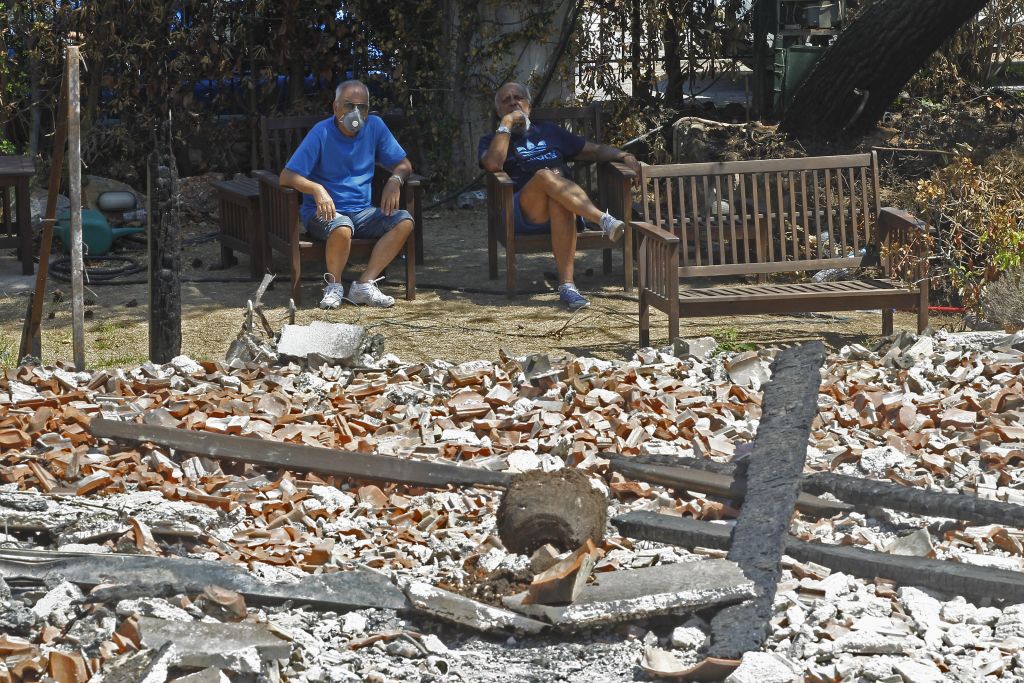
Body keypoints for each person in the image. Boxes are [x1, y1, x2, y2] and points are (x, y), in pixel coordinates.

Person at [479, 82, 641, 311]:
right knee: (544, 175)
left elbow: (594, 150)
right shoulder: (491, 140)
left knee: (558, 199)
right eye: (506, 100)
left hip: (564, 203)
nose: (514, 102)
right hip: (523, 211)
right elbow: (493, 164)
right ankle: (601, 219)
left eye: (518, 98)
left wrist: (624, 155)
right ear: (498, 111)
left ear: (529, 106)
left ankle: (568, 286)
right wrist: (506, 123)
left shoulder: (549, 131)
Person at [281, 80, 414, 309]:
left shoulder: (375, 126)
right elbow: (287, 176)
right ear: (335, 108)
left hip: (363, 212)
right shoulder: (321, 132)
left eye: (362, 107)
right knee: (342, 227)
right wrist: (317, 189)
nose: (356, 112)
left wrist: (395, 180)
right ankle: (334, 285)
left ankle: (364, 284)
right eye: (349, 105)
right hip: (323, 213)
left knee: (404, 221)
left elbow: (404, 164)